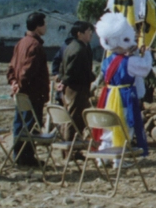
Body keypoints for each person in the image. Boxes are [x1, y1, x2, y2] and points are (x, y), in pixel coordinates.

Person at [92, 12, 152, 159]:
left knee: (108, 127)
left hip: (109, 96)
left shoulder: (106, 62)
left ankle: (102, 156)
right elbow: (145, 68)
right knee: (125, 125)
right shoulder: (129, 61)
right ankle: (118, 160)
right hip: (125, 97)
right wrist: (147, 54)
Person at [6, 12, 48, 167]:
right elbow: (28, 70)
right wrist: (19, 84)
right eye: (44, 24)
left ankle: (19, 156)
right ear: (37, 26)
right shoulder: (35, 45)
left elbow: (12, 66)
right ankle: (26, 158)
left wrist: (13, 82)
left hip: (22, 93)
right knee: (30, 126)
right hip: (32, 93)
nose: (46, 27)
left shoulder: (21, 43)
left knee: (20, 124)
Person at [57, 21, 95, 142]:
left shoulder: (72, 46)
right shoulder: (79, 50)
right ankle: (69, 147)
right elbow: (72, 71)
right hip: (76, 90)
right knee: (73, 120)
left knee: (73, 119)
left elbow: (62, 68)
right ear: (80, 33)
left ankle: (71, 146)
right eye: (88, 31)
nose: (91, 33)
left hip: (72, 89)